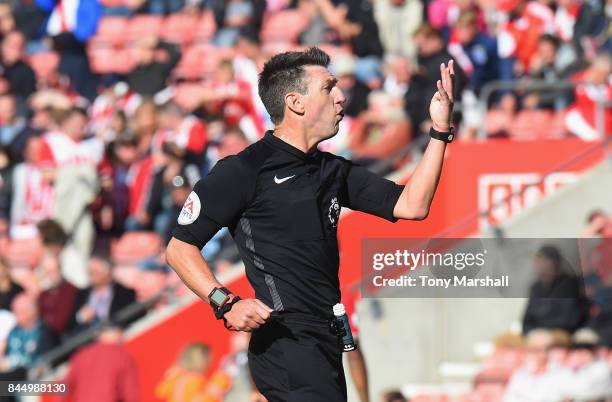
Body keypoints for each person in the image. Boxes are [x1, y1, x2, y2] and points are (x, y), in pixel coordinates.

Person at [166, 46, 455, 402]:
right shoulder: (243, 170)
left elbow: (413, 205)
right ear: (295, 103)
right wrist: (225, 302)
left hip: (326, 341)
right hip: (285, 343)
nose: (341, 96)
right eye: (328, 87)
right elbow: (179, 248)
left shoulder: (331, 170)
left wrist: (440, 130)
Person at [60, 322, 139, 402]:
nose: (123, 336)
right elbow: (131, 396)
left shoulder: (81, 356)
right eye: (121, 332)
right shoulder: (123, 357)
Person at [522, 245, 590, 334]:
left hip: (563, 334)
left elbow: (569, 321)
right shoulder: (536, 288)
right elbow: (526, 322)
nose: (539, 265)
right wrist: (532, 332)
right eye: (538, 261)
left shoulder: (569, 285)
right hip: (537, 334)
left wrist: (541, 331)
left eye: (544, 261)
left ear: (555, 264)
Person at [70, 257, 139, 332]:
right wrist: (81, 317)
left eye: (95, 272)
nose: (92, 276)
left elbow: (134, 316)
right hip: (88, 339)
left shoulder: (125, 293)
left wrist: (117, 329)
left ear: (108, 272)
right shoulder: (81, 294)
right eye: (90, 272)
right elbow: (69, 324)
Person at [155, 342, 231, 402]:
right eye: (209, 358)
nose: (211, 362)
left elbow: (161, 392)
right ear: (201, 359)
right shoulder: (193, 381)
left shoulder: (175, 378)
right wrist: (218, 383)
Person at [37, 253, 78, 337]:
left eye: (54, 270)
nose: (52, 275)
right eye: (48, 272)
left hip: (65, 336)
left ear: (60, 269)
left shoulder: (70, 290)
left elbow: (62, 321)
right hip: (47, 336)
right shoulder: (43, 295)